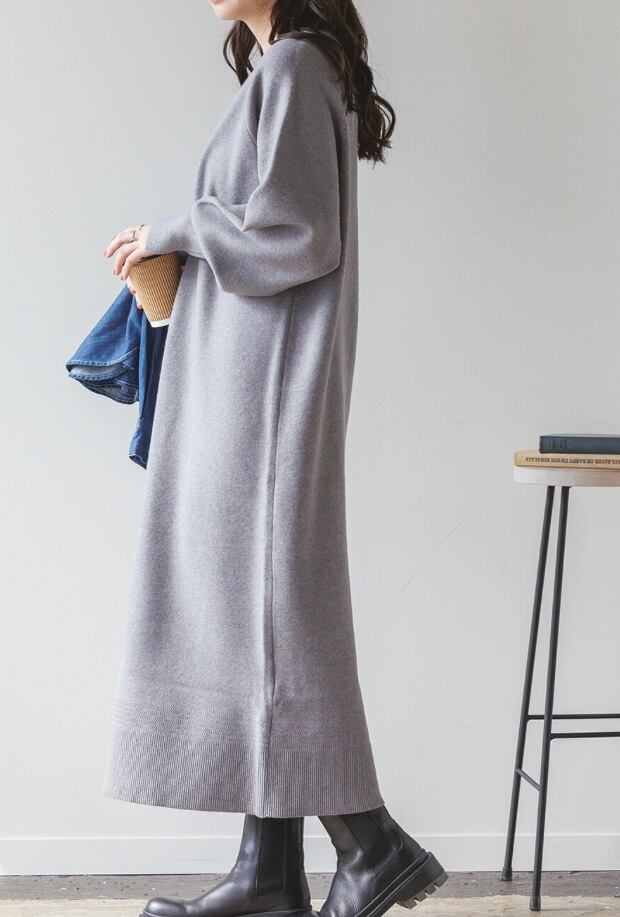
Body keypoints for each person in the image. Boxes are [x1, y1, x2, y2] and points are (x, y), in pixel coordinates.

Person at [102, 2, 445, 916]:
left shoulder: (294, 66)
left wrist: (177, 230)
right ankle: (268, 871)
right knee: (260, 618)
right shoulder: (288, 68)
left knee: (271, 619)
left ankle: (372, 844)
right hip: (250, 381)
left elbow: (300, 235)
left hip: (261, 392)